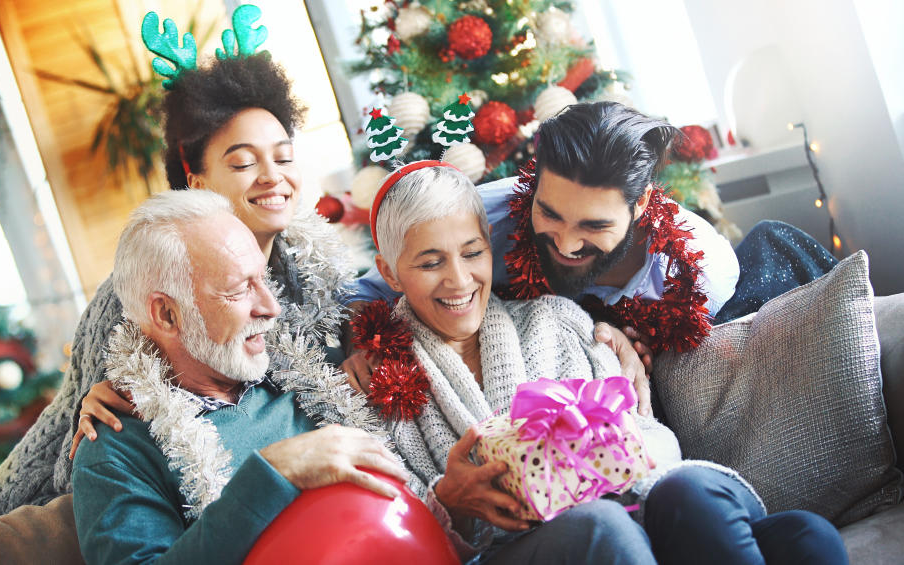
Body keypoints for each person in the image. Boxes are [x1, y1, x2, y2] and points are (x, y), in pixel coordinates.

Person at [353, 161, 847, 564]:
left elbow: (649, 432)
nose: (459, 280)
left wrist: (623, 449)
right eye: (431, 262)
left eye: (472, 252)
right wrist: (451, 501)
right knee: (601, 525)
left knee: (798, 533)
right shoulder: (371, 380)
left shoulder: (557, 319)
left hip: (632, 499)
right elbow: (396, 532)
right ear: (390, 273)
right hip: (522, 547)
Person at [0, 25, 354, 522]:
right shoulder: (142, 286)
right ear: (195, 179)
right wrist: (94, 399)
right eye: (243, 164)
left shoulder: (310, 264)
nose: (272, 176)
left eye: (283, 156)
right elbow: (89, 437)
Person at [70, 189, 407, 564]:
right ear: (166, 315)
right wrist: (273, 473)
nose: (271, 307)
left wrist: (454, 503)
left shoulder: (310, 366)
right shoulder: (115, 449)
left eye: (262, 279)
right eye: (239, 290)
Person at [348, 102, 837, 355]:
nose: (564, 242)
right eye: (551, 214)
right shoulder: (480, 216)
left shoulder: (701, 271)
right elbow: (366, 288)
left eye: (594, 225)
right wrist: (361, 340)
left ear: (642, 203)